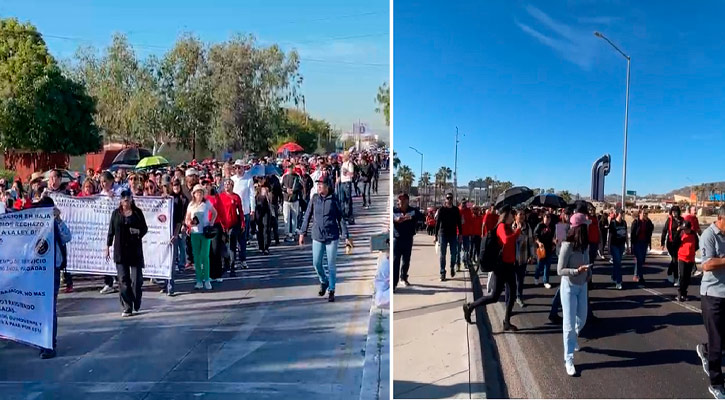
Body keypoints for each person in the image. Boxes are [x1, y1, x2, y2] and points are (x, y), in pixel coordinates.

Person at [462, 206, 521, 331]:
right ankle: (471, 306)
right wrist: (517, 232)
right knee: (494, 297)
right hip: (501, 266)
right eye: (512, 214)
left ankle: (507, 322)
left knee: (512, 294)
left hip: (510, 265)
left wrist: (516, 231)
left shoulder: (510, 227)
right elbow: (506, 240)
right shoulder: (501, 227)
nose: (514, 216)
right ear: (506, 215)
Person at [299, 177, 352, 302]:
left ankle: (332, 290)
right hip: (317, 236)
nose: (319, 187)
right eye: (318, 185)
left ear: (327, 186)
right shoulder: (314, 199)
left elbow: (340, 219)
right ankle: (324, 281)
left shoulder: (334, 200)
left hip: (332, 236)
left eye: (321, 185)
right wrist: (302, 232)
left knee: (331, 265)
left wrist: (346, 237)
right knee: (316, 263)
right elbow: (307, 215)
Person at [35, 197, 72, 359]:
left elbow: (67, 237)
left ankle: (49, 344)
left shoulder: (56, 225)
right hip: (36, 272)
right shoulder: (34, 225)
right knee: (40, 307)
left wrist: (57, 219)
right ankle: (41, 340)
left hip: (52, 270)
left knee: (49, 307)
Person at [557, 212, 592, 377]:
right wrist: (576, 271)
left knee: (582, 318)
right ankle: (568, 359)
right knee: (569, 324)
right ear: (579, 228)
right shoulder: (567, 245)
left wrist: (588, 273)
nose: (588, 229)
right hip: (569, 287)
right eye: (586, 226)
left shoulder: (585, 244)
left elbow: (586, 261)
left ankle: (572, 338)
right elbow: (559, 270)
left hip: (582, 286)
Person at [696, 207, 725, 399]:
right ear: (720, 218)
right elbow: (706, 264)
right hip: (712, 295)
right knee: (718, 342)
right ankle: (716, 383)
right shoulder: (709, 235)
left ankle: (704, 350)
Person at [106, 190, 148, 317]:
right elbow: (111, 231)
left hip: (134, 250)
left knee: (137, 280)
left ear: (131, 199)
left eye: (128, 198)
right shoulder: (116, 213)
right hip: (120, 251)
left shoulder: (137, 212)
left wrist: (137, 232)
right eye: (123, 198)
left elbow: (144, 228)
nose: (126, 200)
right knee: (123, 279)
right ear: (120, 200)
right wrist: (107, 246)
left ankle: (136, 300)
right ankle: (127, 306)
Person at [185, 184, 218, 290]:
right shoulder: (191, 205)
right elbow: (187, 218)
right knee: (197, 257)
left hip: (204, 232)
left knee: (205, 256)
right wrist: (189, 223)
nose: (199, 194)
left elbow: (214, 213)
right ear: (194, 194)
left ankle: (207, 279)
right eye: (197, 192)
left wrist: (211, 223)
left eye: (201, 192)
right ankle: (199, 280)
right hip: (195, 233)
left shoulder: (206, 203)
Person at [393, 193, 423, 289]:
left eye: (403, 200)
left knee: (406, 261)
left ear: (407, 201)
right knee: (395, 261)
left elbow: (422, 217)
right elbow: (390, 219)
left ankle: (404, 277)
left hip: (408, 239)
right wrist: (396, 219)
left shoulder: (413, 211)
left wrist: (412, 217)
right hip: (397, 239)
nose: (400, 202)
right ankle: (394, 283)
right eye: (399, 200)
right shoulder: (394, 210)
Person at [506, 209, 535, 308]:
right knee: (510, 281)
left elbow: (531, 243)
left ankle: (519, 297)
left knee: (520, 280)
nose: (522, 216)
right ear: (515, 216)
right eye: (520, 214)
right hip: (511, 259)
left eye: (523, 214)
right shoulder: (510, 227)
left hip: (523, 258)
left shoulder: (527, 228)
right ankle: (509, 300)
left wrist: (532, 256)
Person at [231, 161, 255, 269]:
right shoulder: (232, 180)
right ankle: (232, 261)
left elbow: (251, 195)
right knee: (232, 238)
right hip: (232, 213)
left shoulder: (248, 179)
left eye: (239, 168)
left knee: (242, 238)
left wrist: (252, 209)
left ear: (243, 168)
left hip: (244, 212)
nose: (237, 170)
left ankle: (243, 259)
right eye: (236, 168)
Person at [219, 178, 244, 277]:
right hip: (223, 225)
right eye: (225, 184)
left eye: (229, 184)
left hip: (234, 224)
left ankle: (233, 266)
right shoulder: (220, 197)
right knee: (224, 246)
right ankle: (226, 264)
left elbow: (240, 212)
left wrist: (242, 223)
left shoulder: (236, 197)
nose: (227, 185)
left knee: (232, 246)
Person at [435, 193, 462, 281]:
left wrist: (460, 234)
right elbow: (437, 223)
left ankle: (452, 267)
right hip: (443, 234)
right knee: (443, 254)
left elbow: (459, 223)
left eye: (451, 198)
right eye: (448, 198)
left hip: (453, 235)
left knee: (454, 253)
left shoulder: (456, 210)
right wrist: (435, 236)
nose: (449, 199)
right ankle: (442, 272)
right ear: (445, 199)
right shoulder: (441, 210)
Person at [673, 220, 698, 302]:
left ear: (689, 228)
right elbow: (675, 243)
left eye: (686, 229)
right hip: (682, 258)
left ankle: (684, 293)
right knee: (682, 276)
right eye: (683, 229)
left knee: (687, 277)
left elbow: (697, 245)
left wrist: (692, 251)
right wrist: (679, 231)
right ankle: (679, 293)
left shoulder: (693, 234)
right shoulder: (681, 233)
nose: (685, 230)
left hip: (690, 259)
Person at [661, 205, 684, 286]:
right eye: (673, 212)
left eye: (676, 211)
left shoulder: (681, 220)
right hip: (670, 243)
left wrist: (681, 227)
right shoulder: (669, 220)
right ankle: (676, 277)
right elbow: (664, 231)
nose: (674, 213)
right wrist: (662, 242)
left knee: (676, 259)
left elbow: (686, 228)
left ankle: (670, 272)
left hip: (679, 243)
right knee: (675, 260)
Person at [631, 209, 654, 284]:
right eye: (643, 213)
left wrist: (648, 220)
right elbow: (632, 234)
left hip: (644, 242)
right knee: (639, 259)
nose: (645, 215)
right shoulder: (636, 222)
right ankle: (637, 275)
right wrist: (632, 245)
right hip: (637, 242)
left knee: (642, 260)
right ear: (639, 214)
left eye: (646, 213)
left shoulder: (647, 222)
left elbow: (651, 229)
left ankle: (639, 275)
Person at [282, 166, 303, 241]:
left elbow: (301, 186)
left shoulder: (297, 177)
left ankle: (294, 232)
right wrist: (286, 190)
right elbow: (281, 187)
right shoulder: (284, 177)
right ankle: (287, 233)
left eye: (291, 168)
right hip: (286, 200)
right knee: (286, 217)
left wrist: (293, 190)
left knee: (294, 217)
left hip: (295, 200)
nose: (290, 169)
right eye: (289, 168)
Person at [534, 214, 555, 289]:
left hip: (549, 247)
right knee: (540, 264)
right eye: (546, 217)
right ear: (543, 218)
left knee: (547, 265)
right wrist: (539, 243)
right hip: (541, 248)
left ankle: (546, 281)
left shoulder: (552, 226)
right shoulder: (540, 225)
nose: (547, 219)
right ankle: (536, 277)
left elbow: (553, 236)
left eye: (549, 218)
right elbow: (535, 235)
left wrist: (554, 244)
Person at [609, 209, 628, 290]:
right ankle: (619, 282)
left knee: (617, 262)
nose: (622, 215)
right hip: (614, 245)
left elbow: (626, 234)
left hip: (621, 245)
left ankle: (614, 276)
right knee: (618, 263)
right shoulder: (613, 223)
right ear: (617, 214)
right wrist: (608, 246)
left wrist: (628, 245)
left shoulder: (624, 223)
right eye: (621, 213)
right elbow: (609, 236)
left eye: (623, 213)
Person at [254, 183, 273, 255]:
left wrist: (267, 195)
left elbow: (270, 201)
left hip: (266, 211)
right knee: (259, 228)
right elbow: (253, 200)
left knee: (266, 228)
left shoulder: (267, 188)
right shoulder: (255, 189)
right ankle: (260, 246)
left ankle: (266, 247)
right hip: (258, 211)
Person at [340, 153, 355, 224]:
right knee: (342, 200)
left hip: (347, 183)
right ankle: (343, 216)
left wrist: (346, 172)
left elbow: (352, 174)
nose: (342, 158)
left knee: (348, 200)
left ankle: (350, 216)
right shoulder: (343, 164)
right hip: (342, 183)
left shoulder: (349, 164)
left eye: (343, 157)